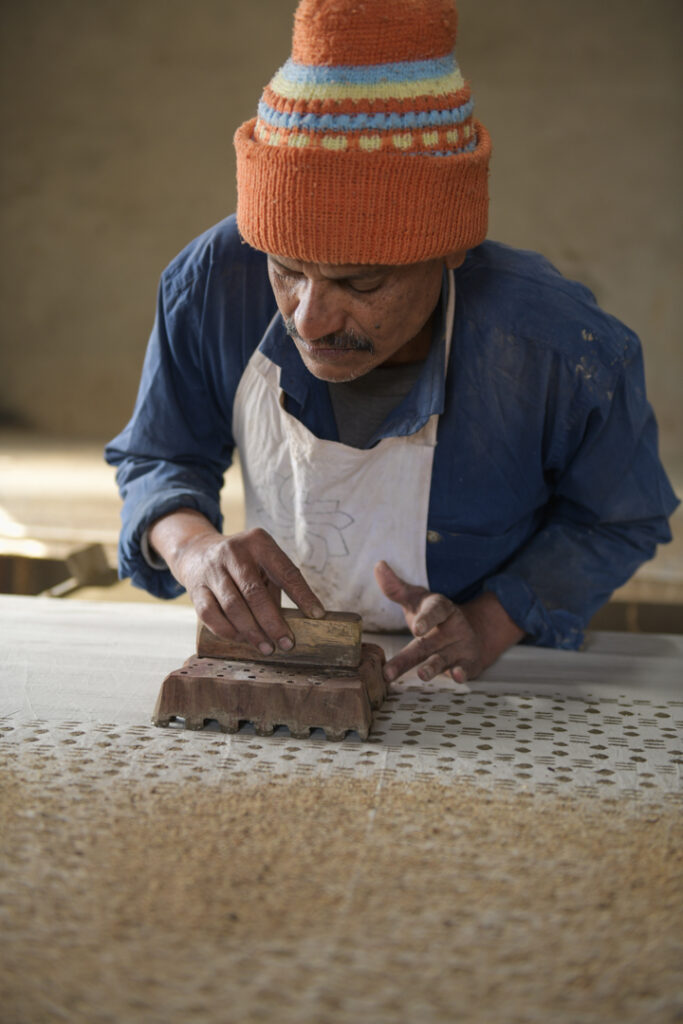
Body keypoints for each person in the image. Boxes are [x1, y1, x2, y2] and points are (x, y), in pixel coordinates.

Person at [105, 0, 678, 685]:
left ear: (448, 252)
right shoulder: (212, 283)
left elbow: (616, 518)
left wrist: (490, 624)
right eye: (286, 271)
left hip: (476, 677)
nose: (309, 320)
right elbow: (158, 456)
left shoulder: (558, 348)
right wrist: (195, 549)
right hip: (290, 666)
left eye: (360, 282)